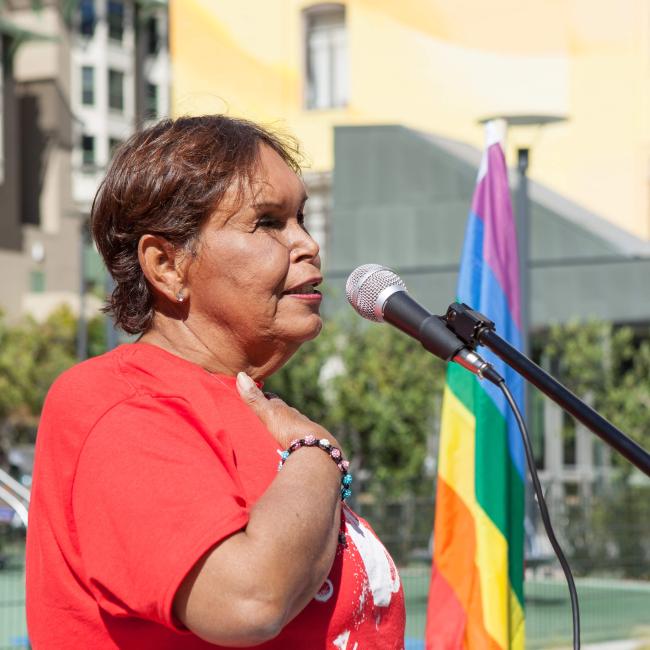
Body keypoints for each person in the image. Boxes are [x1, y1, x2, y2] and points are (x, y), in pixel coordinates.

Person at [25, 115, 405, 649]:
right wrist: (318, 454)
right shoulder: (117, 403)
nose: (308, 244)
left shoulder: (254, 407)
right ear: (167, 265)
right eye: (268, 223)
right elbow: (247, 600)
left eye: (301, 217)